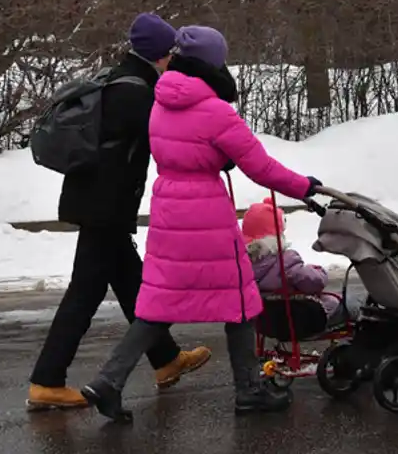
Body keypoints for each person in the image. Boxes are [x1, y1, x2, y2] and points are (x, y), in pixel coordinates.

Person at [80, 25, 322, 422]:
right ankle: (248, 391)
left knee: (157, 306)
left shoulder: (160, 101)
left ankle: (108, 382)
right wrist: (305, 187)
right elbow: (260, 167)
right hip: (207, 214)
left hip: (169, 209)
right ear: (214, 62)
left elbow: (181, 147)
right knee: (241, 304)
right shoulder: (215, 110)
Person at [27, 14, 211, 411]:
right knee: (84, 294)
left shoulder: (118, 79)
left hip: (96, 203)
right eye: (170, 54)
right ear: (160, 55)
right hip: (104, 209)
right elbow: (171, 139)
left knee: (134, 284)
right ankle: (46, 381)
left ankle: (165, 359)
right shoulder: (137, 95)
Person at [242, 198, 363, 327]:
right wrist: (317, 270)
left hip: (268, 323)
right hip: (301, 320)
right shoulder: (286, 263)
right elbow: (314, 282)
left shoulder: (242, 266)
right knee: (353, 303)